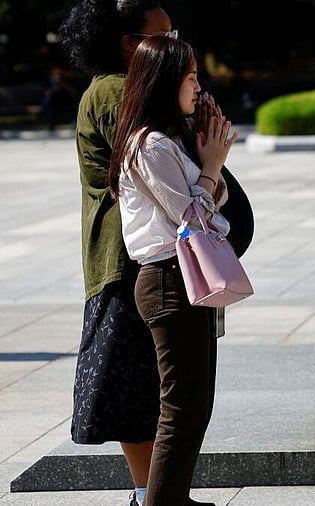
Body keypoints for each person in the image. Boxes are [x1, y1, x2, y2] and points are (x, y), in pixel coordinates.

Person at [59, 2, 221, 504]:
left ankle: (158, 495)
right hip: (131, 266)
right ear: (133, 44)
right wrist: (208, 160)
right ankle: (148, 495)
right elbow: (168, 182)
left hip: (140, 265)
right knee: (145, 394)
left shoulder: (124, 93)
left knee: (157, 393)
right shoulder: (116, 92)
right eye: (165, 34)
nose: (173, 40)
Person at [108, 35, 237, 506]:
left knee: (195, 405)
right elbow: (193, 218)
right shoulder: (149, 145)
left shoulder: (169, 140)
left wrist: (208, 165)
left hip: (184, 276)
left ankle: (174, 500)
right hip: (166, 278)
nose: (198, 88)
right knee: (181, 407)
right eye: (190, 78)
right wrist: (211, 167)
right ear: (164, 82)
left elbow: (215, 205)